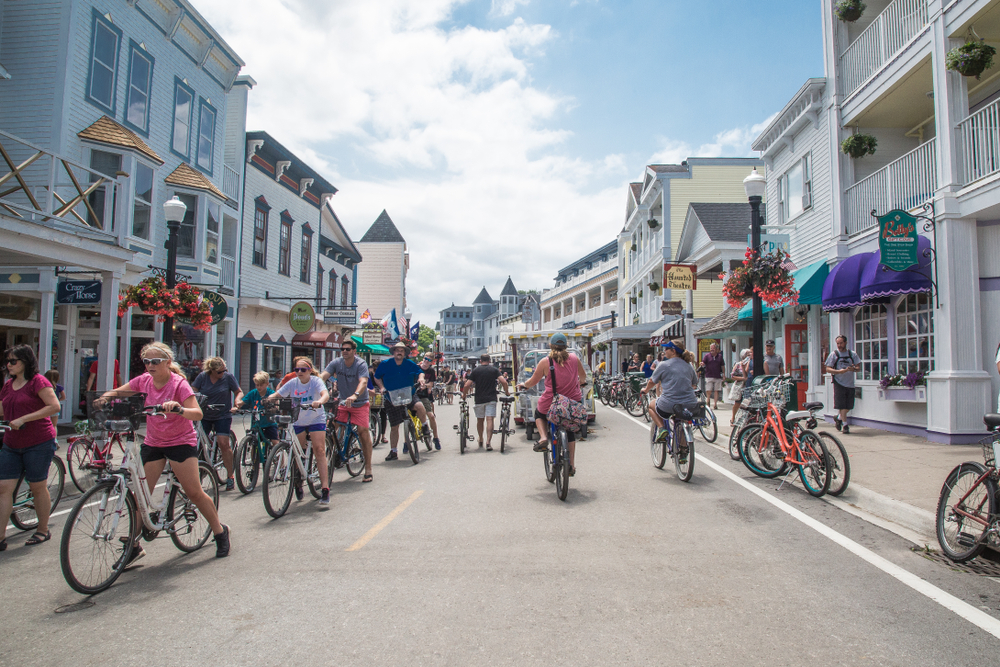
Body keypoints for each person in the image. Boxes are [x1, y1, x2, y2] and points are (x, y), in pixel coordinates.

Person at [108, 342, 229, 562]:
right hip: (154, 442)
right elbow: (120, 391)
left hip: (180, 441)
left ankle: (220, 532)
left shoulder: (178, 384)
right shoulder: (144, 381)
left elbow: (198, 414)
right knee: (141, 496)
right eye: (146, 361)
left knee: (193, 492)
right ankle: (132, 547)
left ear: (167, 362)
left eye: (155, 361)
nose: (150, 365)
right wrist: (104, 398)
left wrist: (179, 409)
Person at [0, 345, 61, 549]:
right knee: (3, 489)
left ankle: (43, 530)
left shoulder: (38, 382)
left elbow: (54, 406)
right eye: (7, 361)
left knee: (37, 487)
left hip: (38, 442)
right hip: (11, 443)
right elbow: (3, 406)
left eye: (13, 361)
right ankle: (0, 537)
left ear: (25, 361)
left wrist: (23, 418)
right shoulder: (9, 385)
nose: (8, 364)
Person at [516, 333, 586, 475]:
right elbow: (583, 376)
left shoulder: (545, 361)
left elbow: (533, 381)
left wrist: (524, 385)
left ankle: (543, 437)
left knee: (539, 414)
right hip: (572, 402)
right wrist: (581, 383)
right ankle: (571, 465)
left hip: (552, 401)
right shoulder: (574, 358)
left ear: (550, 346)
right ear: (566, 346)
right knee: (569, 431)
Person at [266, 357, 331, 505]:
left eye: (303, 369)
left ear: (309, 370)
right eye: (297, 370)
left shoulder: (315, 381)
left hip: (315, 418)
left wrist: (319, 402)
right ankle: (298, 479)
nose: (299, 372)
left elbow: (325, 394)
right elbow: (279, 394)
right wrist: (270, 398)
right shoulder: (292, 383)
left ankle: (325, 489)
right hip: (299, 419)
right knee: (297, 451)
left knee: (319, 449)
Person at [321, 340, 376, 482]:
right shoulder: (336, 363)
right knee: (332, 428)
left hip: (360, 402)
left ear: (354, 351)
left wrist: (355, 395)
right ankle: (335, 453)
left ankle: (368, 468)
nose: (344, 351)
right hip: (343, 401)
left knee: (363, 432)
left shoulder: (360, 364)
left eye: (348, 349)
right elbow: (323, 376)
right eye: (342, 349)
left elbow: (363, 382)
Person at [640, 339, 698, 464]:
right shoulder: (688, 365)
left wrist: (645, 390)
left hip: (669, 404)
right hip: (690, 403)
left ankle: (661, 428)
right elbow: (694, 383)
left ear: (673, 351)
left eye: (666, 349)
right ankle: (683, 452)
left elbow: (652, 381)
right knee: (682, 421)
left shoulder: (664, 365)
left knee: (651, 406)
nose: (664, 351)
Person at [191, 357, 243, 491]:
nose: (222, 373)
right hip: (204, 414)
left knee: (223, 443)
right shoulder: (203, 377)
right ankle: (200, 472)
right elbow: (192, 391)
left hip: (222, 414)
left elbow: (238, 391)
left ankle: (230, 475)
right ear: (211, 371)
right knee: (197, 443)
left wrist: (237, 402)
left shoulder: (228, 377)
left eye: (224, 371)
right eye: (219, 372)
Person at [373, 342, 430, 461]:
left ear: (405, 353)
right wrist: (382, 387)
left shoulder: (409, 363)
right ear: (393, 352)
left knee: (419, 406)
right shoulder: (385, 364)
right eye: (397, 350)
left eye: (402, 350)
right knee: (394, 426)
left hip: (408, 393)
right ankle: (393, 451)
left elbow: (420, 372)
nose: (399, 352)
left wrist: (421, 379)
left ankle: (425, 427)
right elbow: (377, 376)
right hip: (391, 396)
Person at [463, 354, 508, 451]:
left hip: (479, 398)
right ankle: (488, 442)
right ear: (489, 360)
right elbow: (504, 382)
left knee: (480, 420)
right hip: (491, 398)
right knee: (490, 419)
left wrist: (464, 395)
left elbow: (467, 385)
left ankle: (481, 438)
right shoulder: (494, 370)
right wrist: (507, 392)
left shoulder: (476, 370)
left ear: (480, 360)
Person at [232, 371, 280, 450]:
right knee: (254, 443)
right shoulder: (253, 393)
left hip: (269, 423)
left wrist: (272, 410)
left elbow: (276, 406)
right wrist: (236, 408)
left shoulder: (271, 393)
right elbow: (242, 403)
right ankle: (254, 460)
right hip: (256, 424)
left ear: (267, 384)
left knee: (275, 442)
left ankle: (279, 459)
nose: (259, 387)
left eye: (261, 385)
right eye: (257, 385)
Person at [825, 335, 861, 434]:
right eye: (838, 343)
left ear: (845, 343)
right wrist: (838, 371)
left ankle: (839, 417)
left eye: (841, 343)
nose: (839, 345)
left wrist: (852, 369)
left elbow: (858, 368)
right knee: (842, 406)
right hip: (838, 382)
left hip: (850, 383)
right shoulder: (834, 354)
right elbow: (828, 368)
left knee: (849, 406)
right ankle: (845, 425)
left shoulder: (852, 354)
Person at [415, 354, 442, 450]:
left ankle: (436, 438)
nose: (426, 361)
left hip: (423, 395)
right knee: (409, 418)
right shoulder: (416, 367)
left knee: (431, 416)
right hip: (413, 395)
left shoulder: (431, 371)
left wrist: (425, 386)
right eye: (425, 359)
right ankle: (406, 442)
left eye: (429, 360)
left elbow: (431, 383)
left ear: (431, 362)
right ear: (423, 359)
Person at [730, 349, 752, 426]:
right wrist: (742, 378)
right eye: (747, 354)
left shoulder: (751, 363)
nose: (749, 356)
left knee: (747, 404)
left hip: (749, 386)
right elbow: (732, 376)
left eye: (750, 354)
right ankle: (733, 418)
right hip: (740, 386)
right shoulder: (738, 364)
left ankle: (745, 421)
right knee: (737, 403)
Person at [700, 343, 725, 410]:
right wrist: (702, 364)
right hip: (709, 375)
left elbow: (722, 366)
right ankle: (708, 400)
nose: (712, 350)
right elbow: (703, 362)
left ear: (716, 349)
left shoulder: (720, 357)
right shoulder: (707, 356)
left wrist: (724, 375)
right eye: (711, 348)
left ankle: (715, 404)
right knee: (709, 390)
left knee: (717, 390)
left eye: (713, 348)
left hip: (717, 376)